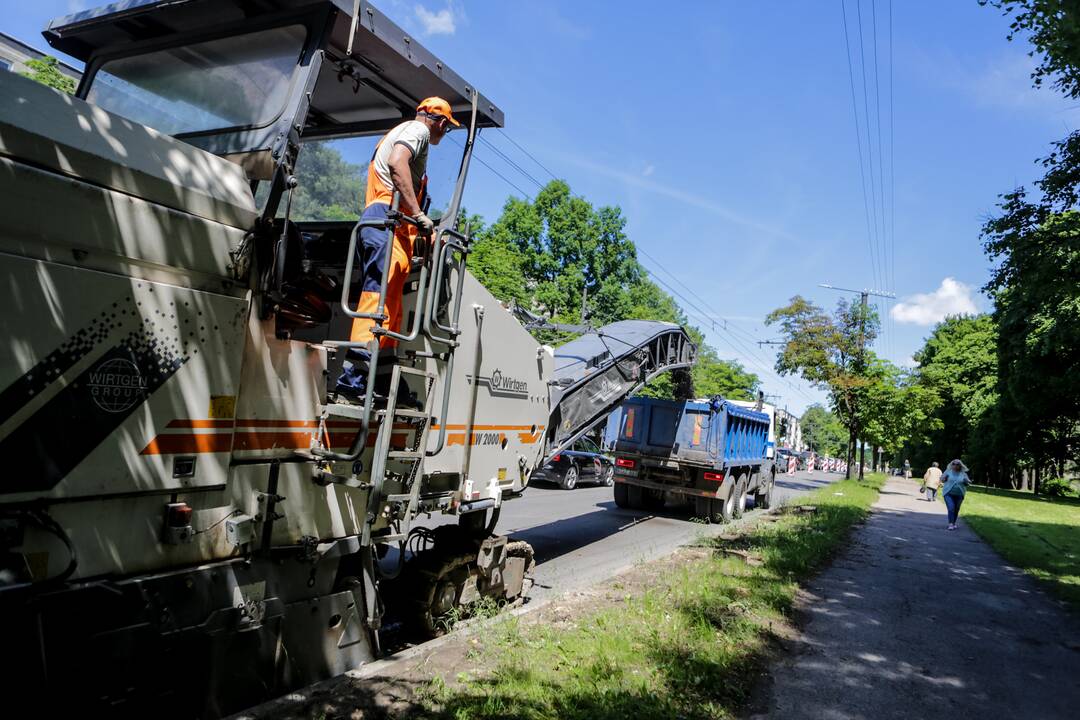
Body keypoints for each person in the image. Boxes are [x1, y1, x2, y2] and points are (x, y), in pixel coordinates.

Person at [335, 97, 459, 401]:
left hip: (394, 227)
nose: (444, 133)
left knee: (391, 308)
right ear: (440, 123)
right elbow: (397, 163)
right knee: (376, 302)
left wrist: (422, 233)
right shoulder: (417, 132)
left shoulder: (403, 132)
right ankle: (353, 381)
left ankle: (383, 380)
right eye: (447, 127)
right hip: (385, 222)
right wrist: (418, 214)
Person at [941, 459, 972, 530]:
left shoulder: (963, 474)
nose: (955, 465)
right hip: (948, 493)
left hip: (959, 494)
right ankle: (950, 524)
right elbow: (942, 479)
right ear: (951, 465)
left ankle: (953, 523)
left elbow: (968, 483)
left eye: (957, 464)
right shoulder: (948, 471)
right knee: (951, 508)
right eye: (953, 464)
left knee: (956, 509)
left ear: (960, 466)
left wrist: (966, 481)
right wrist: (944, 478)